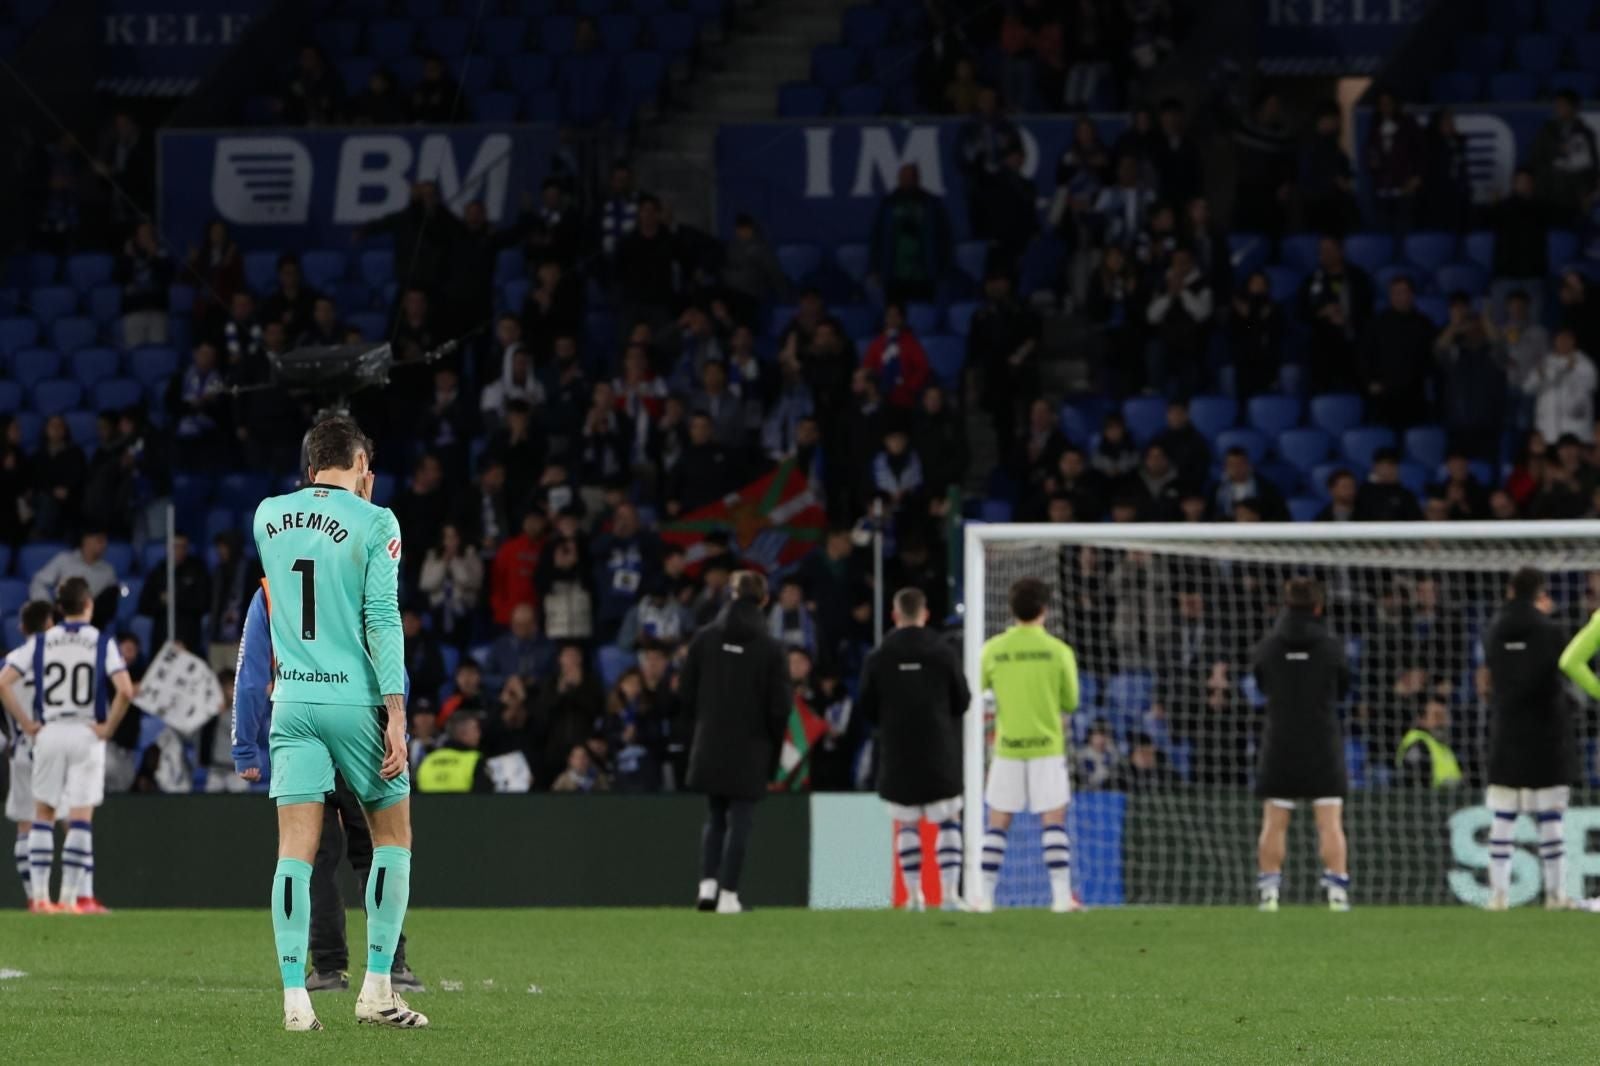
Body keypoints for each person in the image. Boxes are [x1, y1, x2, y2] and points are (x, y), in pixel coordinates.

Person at [250, 416, 426, 1031]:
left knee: (294, 854)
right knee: (392, 838)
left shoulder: (267, 515)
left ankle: (296, 1000)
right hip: (353, 701)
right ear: (359, 466)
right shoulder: (378, 521)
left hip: (292, 701)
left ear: (308, 466)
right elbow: (380, 617)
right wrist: (397, 712)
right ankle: (378, 988)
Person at [232, 568, 424, 994]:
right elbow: (389, 654)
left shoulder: (271, 588)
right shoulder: (357, 576)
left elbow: (249, 675)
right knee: (378, 849)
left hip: (301, 727)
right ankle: (390, 966)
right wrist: (397, 724)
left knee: (309, 858)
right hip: (361, 727)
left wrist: (246, 744)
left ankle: (327, 969)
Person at [0, 578, 133, 915]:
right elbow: (126, 690)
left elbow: (4, 682)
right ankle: (73, 900)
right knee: (79, 818)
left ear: (59, 609)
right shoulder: (102, 642)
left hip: (50, 731)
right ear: (88, 605)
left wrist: (27, 724)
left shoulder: (42, 642)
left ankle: (42, 898)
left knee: (42, 814)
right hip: (86, 732)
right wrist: (108, 727)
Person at [679, 571, 791, 914]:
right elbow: (780, 708)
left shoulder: (704, 639)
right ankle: (728, 896)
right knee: (741, 818)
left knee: (715, 815)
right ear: (764, 600)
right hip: (752, 744)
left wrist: (702, 727)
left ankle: (707, 888)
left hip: (710, 739)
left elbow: (685, 693)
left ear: (731, 594)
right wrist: (772, 748)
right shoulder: (772, 649)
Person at [857, 588, 971, 912]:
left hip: (897, 748)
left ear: (895, 615)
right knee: (948, 818)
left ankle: (913, 896)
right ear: (925, 614)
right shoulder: (943, 652)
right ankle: (949, 895)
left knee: (906, 823)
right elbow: (963, 699)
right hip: (939, 747)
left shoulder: (879, 655)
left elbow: (866, 706)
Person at [976, 578, 1081, 913]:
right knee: (1053, 821)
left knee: (997, 823)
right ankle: (1061, 899)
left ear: (1011, 609)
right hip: (1046, 746)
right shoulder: (1059, 651)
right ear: (1044, 610)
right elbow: (1072, 700)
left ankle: (985, 897)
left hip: (1008, 747)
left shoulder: (992, 650)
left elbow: (979, 692)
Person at [1251, 578, 1351, 913]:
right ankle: (1337, 893)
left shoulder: (1268, 644)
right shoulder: (1332, 645)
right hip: (1321, 739)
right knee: (1330, 821)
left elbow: (1261, 683)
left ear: (1286, 604)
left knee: (1274, 821)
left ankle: (1269, 894)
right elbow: (1344, 687)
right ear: (1319, 607)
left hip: (1281, 740)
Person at [1482, 568, 1575, 911]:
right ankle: (1555, 895)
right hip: (1546, 730)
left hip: (1507, 728)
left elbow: (1493, 670)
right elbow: (1563, 670)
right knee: (1550, 816)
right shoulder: (1550, 630)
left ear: (1509, 590)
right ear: (1541, 593)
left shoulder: (1493, 630)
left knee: (1503, 816)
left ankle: (1498, 896)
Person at [3, 602, 55, 906]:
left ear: (22, 628)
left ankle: (34, 897)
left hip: (22, 745)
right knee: (67, 820)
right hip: (54, 744)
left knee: (27, 823)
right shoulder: (59, 656)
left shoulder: (12, 661)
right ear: (50, 625)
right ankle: (74, 893)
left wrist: (21, 726)